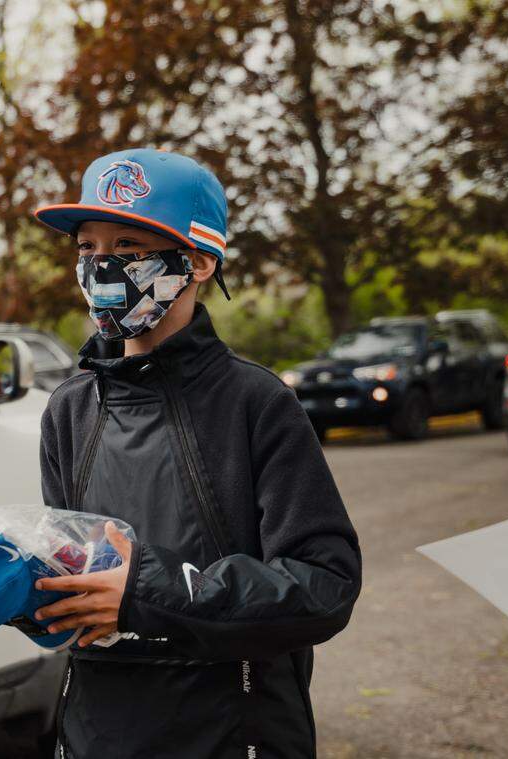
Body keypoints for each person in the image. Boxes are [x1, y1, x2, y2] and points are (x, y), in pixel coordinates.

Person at [31, 148, 362, 758]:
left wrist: (147, 593)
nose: (101, 268)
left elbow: (325, 585)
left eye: (127, 248)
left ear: (201, 261)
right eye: (87, 249)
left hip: (233, 733)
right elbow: (72, 576)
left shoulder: (255, 403)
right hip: (97, 734)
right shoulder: (69, 409)